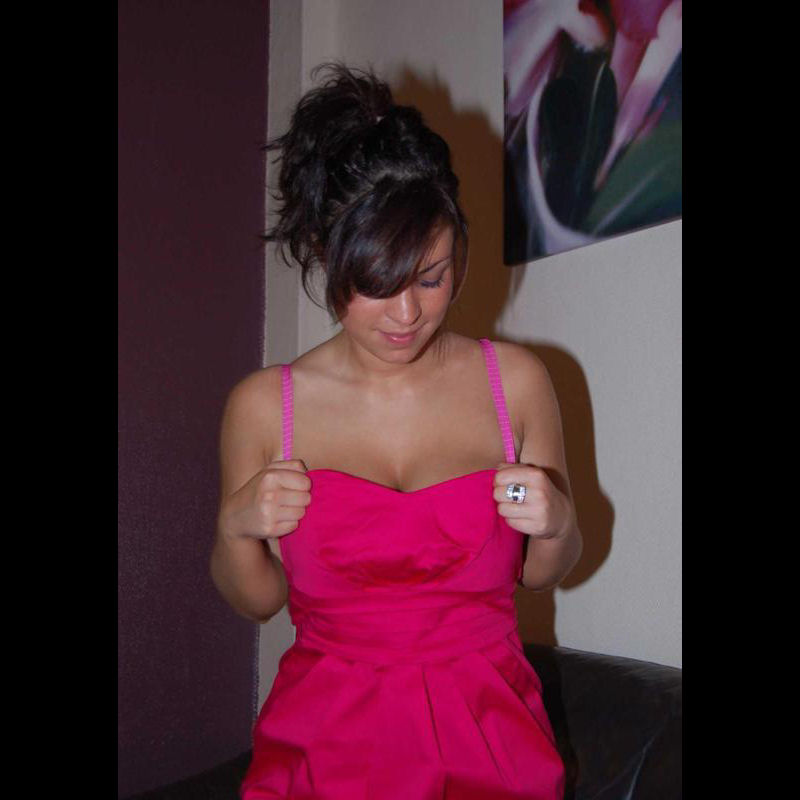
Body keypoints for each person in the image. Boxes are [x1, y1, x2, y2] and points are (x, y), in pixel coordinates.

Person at [210, 63, 582, 800]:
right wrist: (236, 527)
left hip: (493, 750)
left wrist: (558, 521)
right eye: (377, 284)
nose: (407, 314)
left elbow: (543, 571)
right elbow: (257, 600)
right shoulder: (263, 406)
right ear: (325, 256)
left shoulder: (516, 383)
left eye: (431, 278)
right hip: (324, 755)